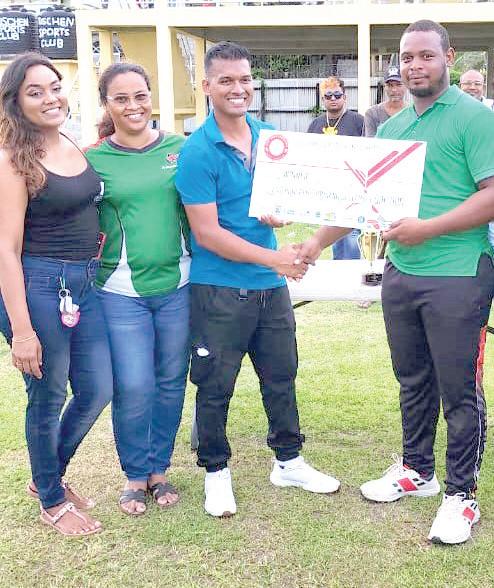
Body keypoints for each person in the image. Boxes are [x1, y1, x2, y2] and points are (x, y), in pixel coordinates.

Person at [299, 20, 494, 545]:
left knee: (459, 389)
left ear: (449, 57)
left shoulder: (476, 118)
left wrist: (427, 228)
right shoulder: (391, 129)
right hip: (402, 272)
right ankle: (417, 470)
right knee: (412, 379)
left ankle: (461, 495)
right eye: (407, 58)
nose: (415, 66)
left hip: (458, 274)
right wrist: (315, 242)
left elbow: (492, 194)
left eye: (426, 55)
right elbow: (362, 201)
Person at [175, 41, 340, 519]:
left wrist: (280, 214)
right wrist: (275, 260)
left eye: (245, 79)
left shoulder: (270, 138)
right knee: (215, 385)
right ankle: (215, 471)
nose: (238, 88)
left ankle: (288, 461)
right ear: (206, 86)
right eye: (226, 80)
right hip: (219, 288)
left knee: (281, 377)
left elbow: (286, 202)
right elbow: (207, 234)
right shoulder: (197, 151)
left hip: (269, 288)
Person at [0, 53, 113, 537]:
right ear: (16, 102)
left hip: (84, 283)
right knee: (47, 396)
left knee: (98, 388)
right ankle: (51, 498)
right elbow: (5, 250)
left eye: (54, 86)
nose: (50, 98)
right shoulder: (11, 159)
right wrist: (22, 331)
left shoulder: (70, 141)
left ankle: (47, 474)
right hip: (40, 286)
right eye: (35, 92)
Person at [85, 63, 191, 516]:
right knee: (133, 384)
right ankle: (133, 473)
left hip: (179, 286)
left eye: (140, 95)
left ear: (151, 97)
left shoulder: (180, 149)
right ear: (106, 104)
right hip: (119, 292)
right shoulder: (92, 159)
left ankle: (159, 470)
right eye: (121, 98)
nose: (133, 106)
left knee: (170, 382)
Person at [308, 77, 364, 261]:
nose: (333, 99)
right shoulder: (315, 124)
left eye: (337, 95)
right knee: (332, 237)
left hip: (353, 191)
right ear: (323, 99)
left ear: (345, 97)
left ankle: (352, 273)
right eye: (328, 95)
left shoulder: (359, 121)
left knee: (351, 236)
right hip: (327, 191)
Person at [364, 66, 407, 137]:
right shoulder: (373, 113)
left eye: (398, 85)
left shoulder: (414, 112)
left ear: (406, 85)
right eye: (390, 85)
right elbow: (370, 141)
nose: (394, 89)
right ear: (384, 87)